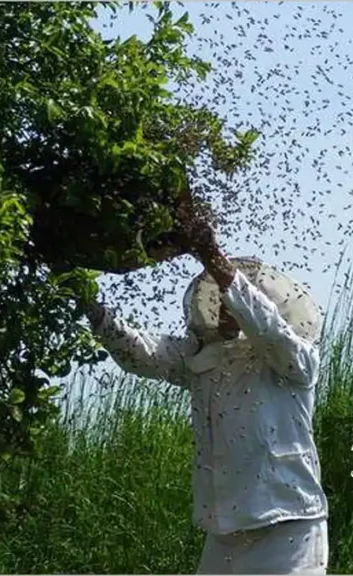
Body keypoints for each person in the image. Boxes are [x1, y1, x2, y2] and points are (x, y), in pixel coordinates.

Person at [80, 195, 329, 575]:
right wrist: (91, 306)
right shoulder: (201, 358)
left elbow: (268, 329)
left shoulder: (293, 358)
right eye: (221, 302)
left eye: (234, 302)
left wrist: (211, 254)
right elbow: (141, 353)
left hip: (289, 529)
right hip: (224, 533)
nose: (226, 310)